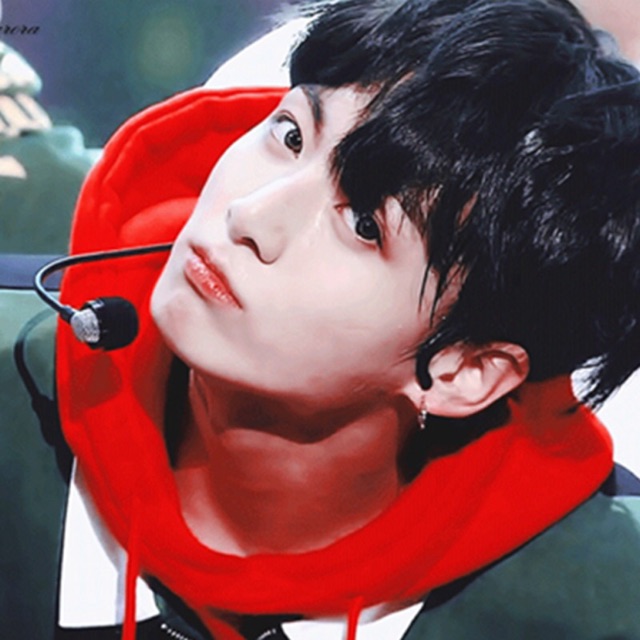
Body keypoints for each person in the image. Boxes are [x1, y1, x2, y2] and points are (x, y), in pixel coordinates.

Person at [7, 0, 640, 638]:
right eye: (290, 136)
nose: (251, 216)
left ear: (463, 369)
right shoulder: (16, 402)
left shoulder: (601, 608)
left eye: (363, 224)